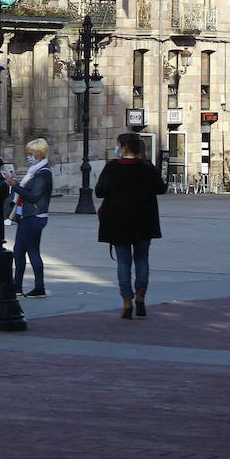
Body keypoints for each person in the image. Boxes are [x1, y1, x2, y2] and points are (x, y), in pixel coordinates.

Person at [95, 132, 168, 319]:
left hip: (118, 221)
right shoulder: (147, 167)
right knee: (142, 259)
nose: (116, 149)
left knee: (123, 261)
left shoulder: (112, 167)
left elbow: (100, 191)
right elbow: (161, 188)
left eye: (118, 145)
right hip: (144, 221)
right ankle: (141, 297)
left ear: (124, 148)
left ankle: (126, 301)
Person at [7, 137, 53, 298]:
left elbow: (33, 196)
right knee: (18, 251)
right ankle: (17, 286)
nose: (29, 156)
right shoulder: (34, 171)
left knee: (33, 251)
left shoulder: (43, 173)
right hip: (25, 215)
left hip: (34, 216)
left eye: (31, 153)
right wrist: (16, 184)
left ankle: (39, 287)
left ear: (39, 153)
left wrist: (15, 185)